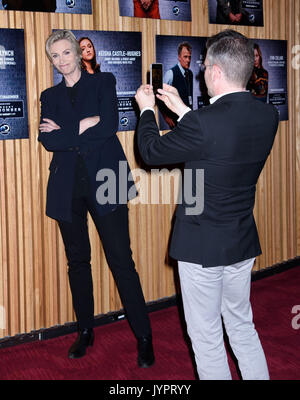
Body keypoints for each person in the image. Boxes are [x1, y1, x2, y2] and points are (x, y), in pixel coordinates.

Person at [135, 30, 279, 380]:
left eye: (203, 69)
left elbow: (152, 152)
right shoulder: (267, 116)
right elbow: (220, 140)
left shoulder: (204, 123)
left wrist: (147, 112)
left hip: (201, 246)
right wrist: (184, 111)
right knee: (242, 327)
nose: (200, 74)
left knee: (208, 338)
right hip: (241, 241)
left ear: (215, 72)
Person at [38, 30, 154, 367]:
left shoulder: (104, 81)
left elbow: (107, 128)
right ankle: (85, 331)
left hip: (108, 180)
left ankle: (144, 336)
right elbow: (48, 142)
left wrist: (67, 132)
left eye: (65, 53)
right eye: (54, 56)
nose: (61, 61)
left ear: (77, 52)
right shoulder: (49, 95)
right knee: (77, 262)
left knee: (121, 261)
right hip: (67, 187)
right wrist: (83, 125)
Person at [163, 42, 193, 128]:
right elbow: (159, 95)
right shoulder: (170, 73)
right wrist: (166, 116)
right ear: (179, 57)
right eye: (185, 57)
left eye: (189, 57)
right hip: (175, 120)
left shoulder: (190, 73)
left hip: (188, 119)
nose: (188, 60)